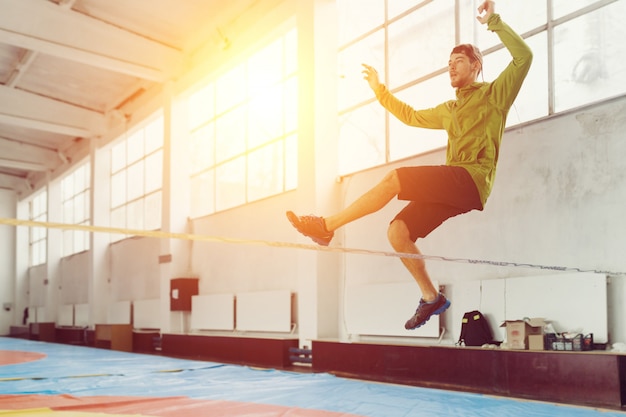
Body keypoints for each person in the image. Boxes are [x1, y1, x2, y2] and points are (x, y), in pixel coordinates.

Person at [286, 1, 532, 330]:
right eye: (449, 63)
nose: (452, 68)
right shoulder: (449, 109)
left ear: (476, 66)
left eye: (459, 61)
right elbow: (411, 116)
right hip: (455, 188)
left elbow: (524, 58)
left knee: (394, 179)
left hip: (470, 179)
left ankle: (327, 226)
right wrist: (380, 91)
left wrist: (494, 22)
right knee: (397, 232)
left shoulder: (495, 95)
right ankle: (431, 297)